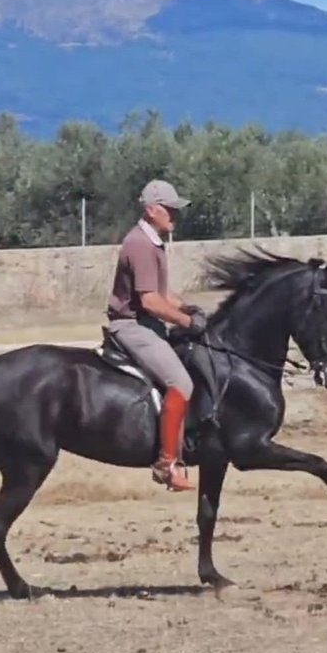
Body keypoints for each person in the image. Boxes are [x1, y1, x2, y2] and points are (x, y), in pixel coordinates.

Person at [106, 180, 206, 491]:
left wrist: (190, 309)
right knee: (181, 382)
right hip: (132, 326)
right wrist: (186, 322)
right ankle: (167, 464)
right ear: (152, 210)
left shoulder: (153, 242)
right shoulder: (139, 244)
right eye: (170, 210)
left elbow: (163, 294)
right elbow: (149, 301)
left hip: (148, 323)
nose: (176, 216)